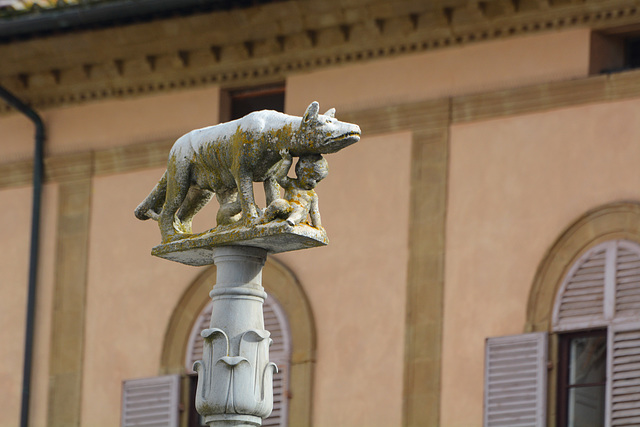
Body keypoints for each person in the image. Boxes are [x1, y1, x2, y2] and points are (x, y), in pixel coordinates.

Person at [262, 149, 328, 228]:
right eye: (311, 177)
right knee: (278, 202)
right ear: (300, 171)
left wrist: (318, 226)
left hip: (299, 216)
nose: (313, 182)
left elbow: (315, 212)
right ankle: (265, 218)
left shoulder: (312, 195)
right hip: (287, 209)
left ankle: (291, 221)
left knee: (300, 209)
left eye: (317, 181)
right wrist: (287, 161)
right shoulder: (292, 184)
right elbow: (280, 178)